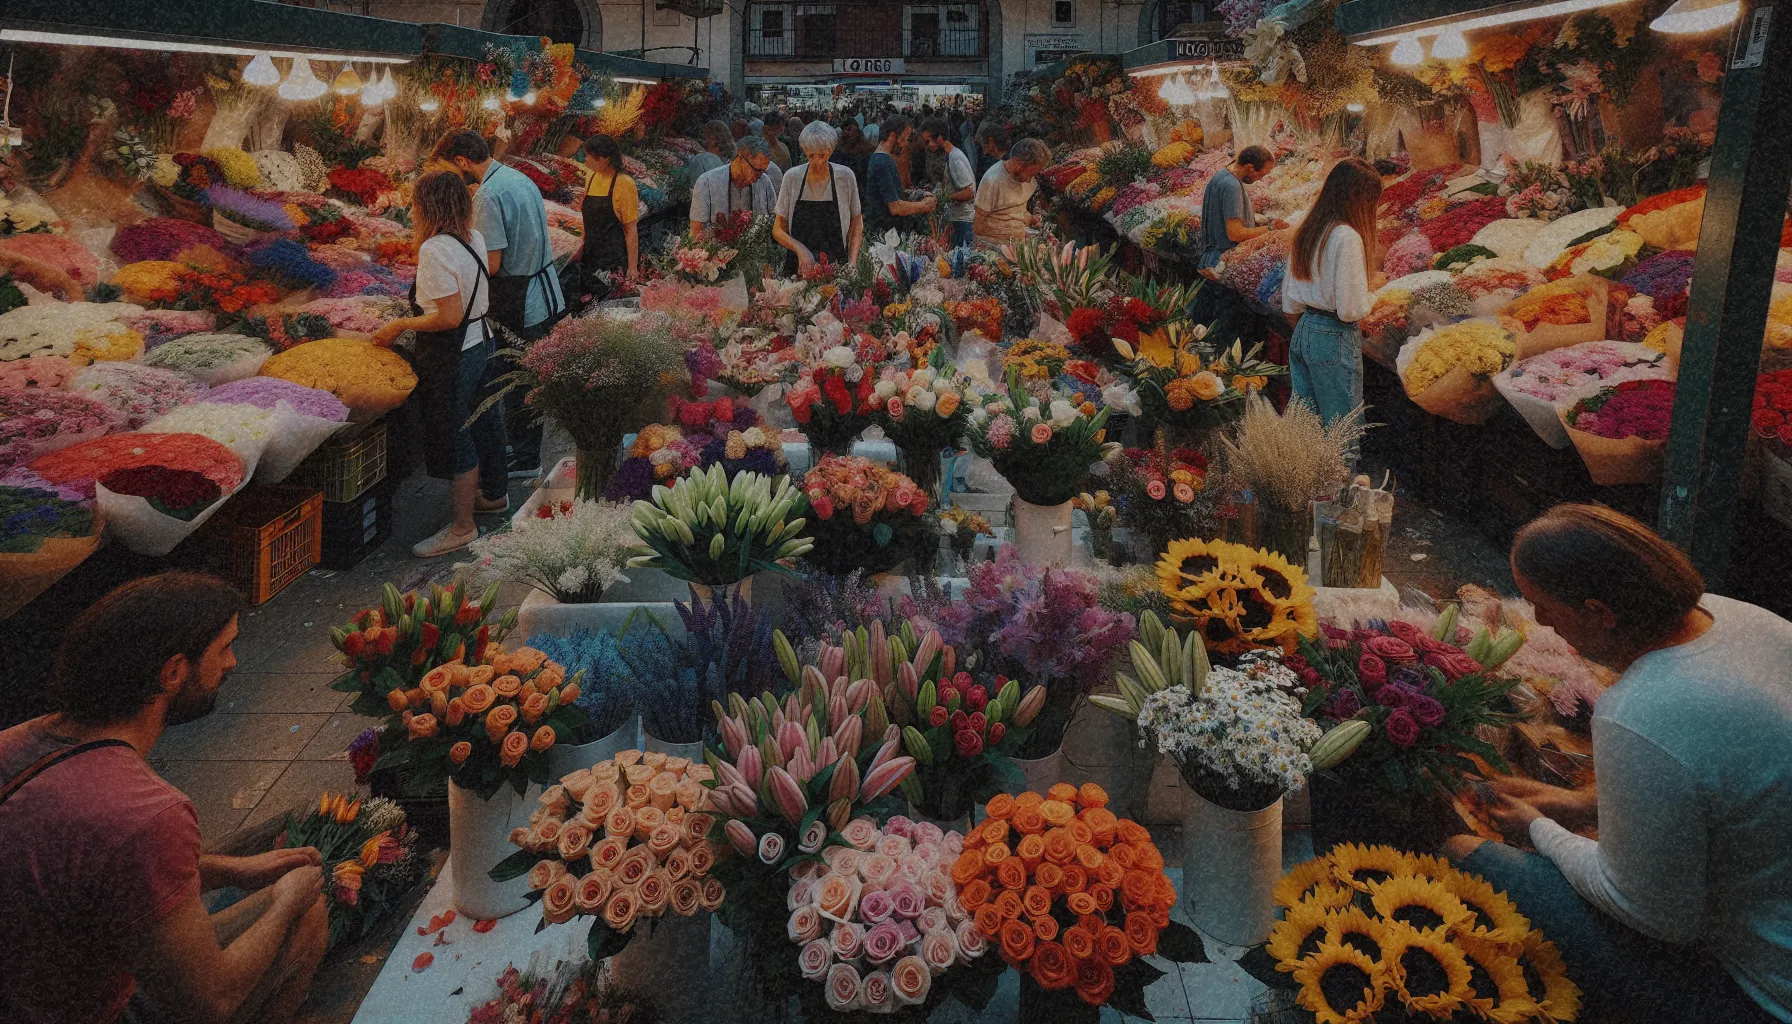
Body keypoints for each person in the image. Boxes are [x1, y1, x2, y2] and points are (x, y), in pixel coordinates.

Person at [1443, 504, 1792, 1024]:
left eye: (1547, 609)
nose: (1539, 622)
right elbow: (1725, 776)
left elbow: (1652, 914)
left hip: (1759, 995)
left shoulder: (1639, 710)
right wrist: (1580, 801)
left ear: (1601, 612)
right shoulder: (1746, 619)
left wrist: (1539, 828)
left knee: (1464, 854)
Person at [0, 573, 328, 1024]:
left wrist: (233, 869)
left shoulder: (16, 741)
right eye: (223, 648)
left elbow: (94, 873)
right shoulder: (144, 813)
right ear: (173, 672)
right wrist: (285, 900)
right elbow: (211, 1001)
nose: (232, 662)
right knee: (304, 911)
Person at [371, 171, 506, 556]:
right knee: (485, 422)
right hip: (482, 342)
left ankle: (462, 527)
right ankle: (495, 496)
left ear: (425, 207)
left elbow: (447, 316)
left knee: (456, 433)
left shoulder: (433, 249)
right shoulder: (473, 237)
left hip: (453, 351)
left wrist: (398, 325)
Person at [434, 130, 564, 481]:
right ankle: (520, 445)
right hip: (542, 291)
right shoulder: (515, 177)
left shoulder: (488, 196)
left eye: (451, 168)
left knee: (518, 379)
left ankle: (526, 457)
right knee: (526, 376)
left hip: (520, 298)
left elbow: (491, 264)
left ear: (463, 162)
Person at [1281, 157, 1381, 428]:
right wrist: (1374, 297)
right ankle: (1342, 473)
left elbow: (1289, 303)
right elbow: (1350, 310)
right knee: (1341, 428)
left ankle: (1308, 472)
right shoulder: (1347, 237)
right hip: (1334, 336)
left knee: (1308, 423)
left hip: (1304, 331)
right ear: (1359, 199)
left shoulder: (1308, 230)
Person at [773, 120, 863, 276]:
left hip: (836, 269)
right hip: (798, 269)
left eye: (822, 155)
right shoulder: (792, 178)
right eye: (811, 156)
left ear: (831, 150)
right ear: (804, 151)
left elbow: (856, 224)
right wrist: (800, 249)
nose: (817, 161)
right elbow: (778, 229)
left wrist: (852, 263)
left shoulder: (845, 177)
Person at [1197, 145, 1285, 272]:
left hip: (1211, 260)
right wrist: (1271, 228)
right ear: (1250, 167)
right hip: (1220, 264)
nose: (1260, 179)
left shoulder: (1222, 175)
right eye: (1261, 174)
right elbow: (1235, 234)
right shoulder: (1232, 186)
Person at [574, 135, 640, 302]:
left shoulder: (624, 183)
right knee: (587, 303)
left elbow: (630, 229)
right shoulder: (591, 177)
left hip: (613, 256)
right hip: (590, 255)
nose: (587, 161)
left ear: (608, 158)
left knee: (609, 302)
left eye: (593, 157)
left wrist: (632, 268)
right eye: (587, 156)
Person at [689, 135, 779, 240]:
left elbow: (774, 222)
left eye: (764, 170)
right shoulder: (707, 182)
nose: (760, 175)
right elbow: (696, 233)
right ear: (740, 158)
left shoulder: (764, 182)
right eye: (757, 170)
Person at [863, 115, 937, 240]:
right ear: (893, 135)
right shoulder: (882, 161)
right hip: (885, 235)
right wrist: (924, 206)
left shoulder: (882, 159)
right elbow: (895, 207)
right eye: (904, 138)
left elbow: (891, 194)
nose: (905, 144)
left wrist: (917, 194)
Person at [973, 137, 1047, 246]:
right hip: (993, 247)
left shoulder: (1029, 181)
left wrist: (1033, 220)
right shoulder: (992, 180)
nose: (1029, 180)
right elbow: (978, 227)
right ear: (1018, 163)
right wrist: (1009, 234)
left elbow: (1018, 211)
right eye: (1030, 173)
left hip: (1018, 244)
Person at [920, 117, 976, 248]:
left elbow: (970, 192)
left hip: (963, 221)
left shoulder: (955, 158)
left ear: (939, 138)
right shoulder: (950, 156)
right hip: (958, 220)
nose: (927, 146)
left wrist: (944, 198)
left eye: (928, 141)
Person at [832, 119, 875, 201]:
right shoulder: (838, 153)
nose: (849, 133)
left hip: (860, 196)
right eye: (845, 130)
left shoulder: (867, 152)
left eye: (850, 129)